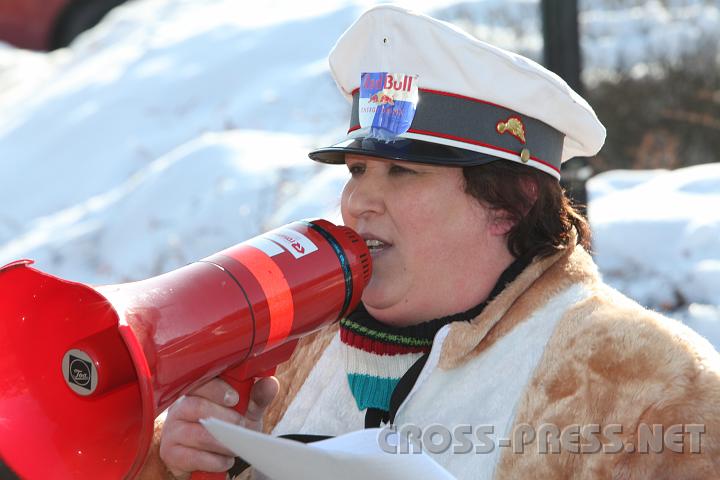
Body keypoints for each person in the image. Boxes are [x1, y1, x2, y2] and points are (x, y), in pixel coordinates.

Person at [140, 5, 720, 479]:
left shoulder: (654, 381)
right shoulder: (301, 338)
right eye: (356, 171)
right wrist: (189, 464)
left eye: (403, 173)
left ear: (509, 203)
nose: (358, 202)